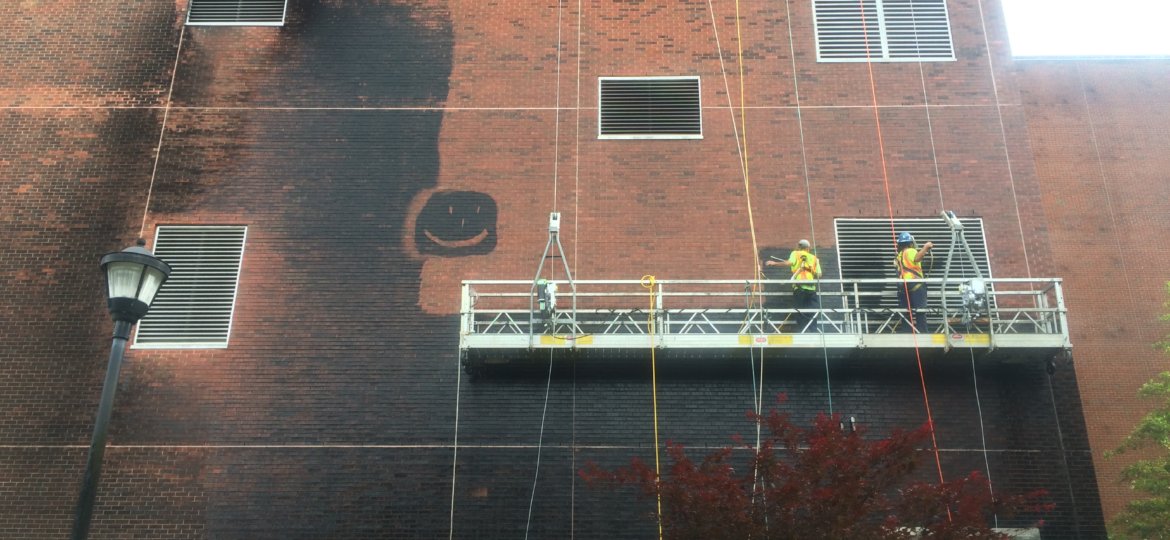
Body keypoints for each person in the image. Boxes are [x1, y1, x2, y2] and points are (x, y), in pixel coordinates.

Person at [765, 239, 822, 332]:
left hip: (799, 287)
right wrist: (811, 269)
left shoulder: (795, 253)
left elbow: (789, 263)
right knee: (812, 311)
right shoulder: (814, 258)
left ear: (799, 247)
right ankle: (813, 331)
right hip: (811, 288)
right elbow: (819, 275)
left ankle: (802, 331)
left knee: (799, 310)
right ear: (808, 248)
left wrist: (775, 263)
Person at [893, 232, 934, 333]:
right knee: (920, 311)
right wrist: (925, 248)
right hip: (916, 286)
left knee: (906, 312)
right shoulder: (910, 251)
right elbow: (917, 258)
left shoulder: (898, 256)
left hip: (903, 287)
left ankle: (907, 332)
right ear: (910, 243)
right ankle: (922, 332)